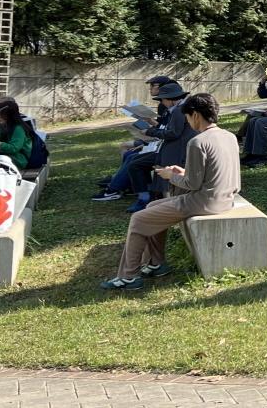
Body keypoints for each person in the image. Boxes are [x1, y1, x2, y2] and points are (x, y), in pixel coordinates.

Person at [100, 93, 241, 290]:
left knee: (139, 219)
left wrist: (170, 175)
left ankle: (129, 277)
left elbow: (192, 184)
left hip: (203, 202)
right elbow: (212, 174)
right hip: (224, 198)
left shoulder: (198, 142)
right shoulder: (229, 136)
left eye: (187, 117)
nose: (187, 121)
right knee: (151, 207)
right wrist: (182, 172)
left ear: (195, 115)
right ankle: (155, 264)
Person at [124, 82, 196, 212]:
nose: (162, 103)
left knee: (137, 165)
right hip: (170, 148)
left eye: (163, 99)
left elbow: (173, 133)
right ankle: (148, 196)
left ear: (170, 99)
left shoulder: (179, 111)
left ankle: (147, 198)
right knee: (136, 163)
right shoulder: (178, 109)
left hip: (176, 151)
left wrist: (149, 132)